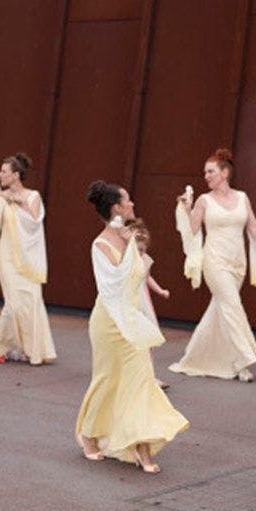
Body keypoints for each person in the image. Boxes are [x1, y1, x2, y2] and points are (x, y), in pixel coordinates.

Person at [75, 181, 189, 473]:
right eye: (127, 202)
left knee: (141, 380)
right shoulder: (100, 244)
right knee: (107, 380)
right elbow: (114, 284)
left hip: (132, 321)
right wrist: (128, 247)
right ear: (116, 207)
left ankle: (142, 446)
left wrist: (132, 244)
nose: (132, 205)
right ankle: (88, 436)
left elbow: (139, 278)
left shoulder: (131, 239)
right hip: (109, 323)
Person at [171, 148, 256, 382]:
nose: (206, 176)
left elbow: (254, 226)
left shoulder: (242, 197)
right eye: (205, 172)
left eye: (211, 171)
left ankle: (199, 357)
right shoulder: (204, 200)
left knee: (222, 310)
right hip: (215, 261)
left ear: (225, 172)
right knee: (232, 306)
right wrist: (187, 209)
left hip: (238, 262)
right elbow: (192, 230)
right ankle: (244, 360)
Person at [0, 152, 56, 365]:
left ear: (15, 175)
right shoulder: (0, 195)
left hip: (28, 258)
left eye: (4, 171)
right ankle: (5, 346)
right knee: (14, 304)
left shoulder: (33, 196)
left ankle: (30, 349)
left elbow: (34, 221)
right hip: (7, 257)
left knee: (31, 301)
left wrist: (13, 199)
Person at [124, 217, 171, 388]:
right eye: (136, 249)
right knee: (131, 338)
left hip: (143, 301)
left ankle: (149, 375)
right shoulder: (124, 261)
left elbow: (148, 278)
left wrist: (160, 290)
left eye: (142, 250)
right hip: (130, 301)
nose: (139, 253)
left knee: (147, 338)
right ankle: (132, 374)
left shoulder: (145, 260)